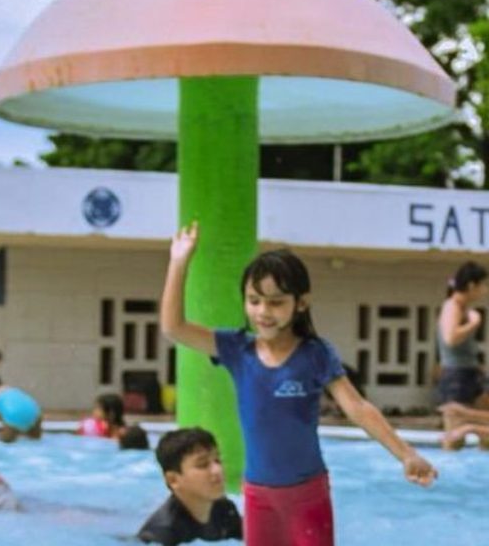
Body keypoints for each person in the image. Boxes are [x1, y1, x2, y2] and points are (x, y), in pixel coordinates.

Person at [160, 222, 436, 546]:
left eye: (276, 302)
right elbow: (173, 327)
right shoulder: (237, 349)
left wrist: (405, 454)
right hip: (258, 496)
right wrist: (178, 263)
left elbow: (357, 408)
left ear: (301, 303)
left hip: (308, 496)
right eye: (254, 300)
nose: (263, 312)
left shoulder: (315, 355)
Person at [137, 427, 242, 544]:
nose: (217, 470)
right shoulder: (162, 534)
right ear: (173, 480)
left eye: (218, 460)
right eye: (203, 464)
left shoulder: (225, 510)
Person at [435, 261, 489, 450]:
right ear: (472, 285)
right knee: (454, 440)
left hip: (469, 373)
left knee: (486, 436)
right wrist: (474, 323)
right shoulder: (452, 306)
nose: (485, 290)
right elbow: (450, 338)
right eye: (483, 285)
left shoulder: (462, 307)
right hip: (456, 377)